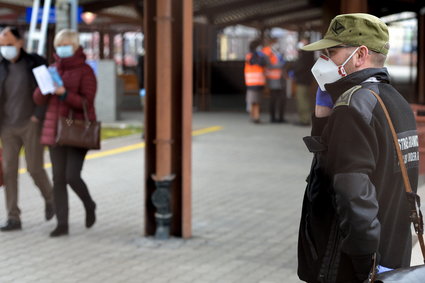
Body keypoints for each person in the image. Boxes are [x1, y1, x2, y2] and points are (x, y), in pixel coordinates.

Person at [297, 13, 419, 282]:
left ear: (361, 54)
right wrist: (322, 115)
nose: (323, 61)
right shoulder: (395, 102)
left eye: (332, 52)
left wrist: (364, 263)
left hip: (352, 265)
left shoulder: (352, 107)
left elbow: (353, 196)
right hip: (392, 255)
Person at [33, 29, 97, 237]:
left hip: (76, 129)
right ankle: (62, 224)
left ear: (77, 46)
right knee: (58, 178)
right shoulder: (52, 69)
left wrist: (64, 94)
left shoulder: (86, 71)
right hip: (54, 131)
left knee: (72, 176)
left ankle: (89, 204)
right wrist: (43, 88)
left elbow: (86, 103)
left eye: (67, 44)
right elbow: (38, 99)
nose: (62, 48)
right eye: (60, 44)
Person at [0, 26, 54, 231]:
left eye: (9, 45)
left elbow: (47, 90)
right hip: (7, 127)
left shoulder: (35, 62)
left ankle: (50, 199)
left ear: (20, 43)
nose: (5, 49)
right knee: (9, 171)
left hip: (30, 124)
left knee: (34, 168)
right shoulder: (0, 66)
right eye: (2, 46)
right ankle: (13, 217)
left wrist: (37, 117)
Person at [262, 37, 287, 123]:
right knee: (273, 100)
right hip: (273, 79)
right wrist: (280, 64)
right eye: (276, 42)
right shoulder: (266, 52)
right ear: (271, 43)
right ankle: (273, 118)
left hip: (281, 79)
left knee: (282, 99)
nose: (277, 44)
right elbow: (268, 65)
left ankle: (280, 117)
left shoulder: (277, 52)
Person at [292, 37, 315, 126]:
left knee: (302, 100)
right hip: (305, 80)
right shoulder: (308, 54)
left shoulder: (306, 54)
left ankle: (304, 119)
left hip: (303, 81)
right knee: (304, 99)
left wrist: (294, 71)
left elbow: (300, 67)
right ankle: (304, 118)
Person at [244, 39, 267, 123]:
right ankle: (255, 117)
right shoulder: (252, 56)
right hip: (254, 82)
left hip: (256, 82)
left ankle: (254, 116)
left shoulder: (256, 55)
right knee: (255, 101)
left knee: (255, 101)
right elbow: (260, 62)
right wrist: (260, 54)